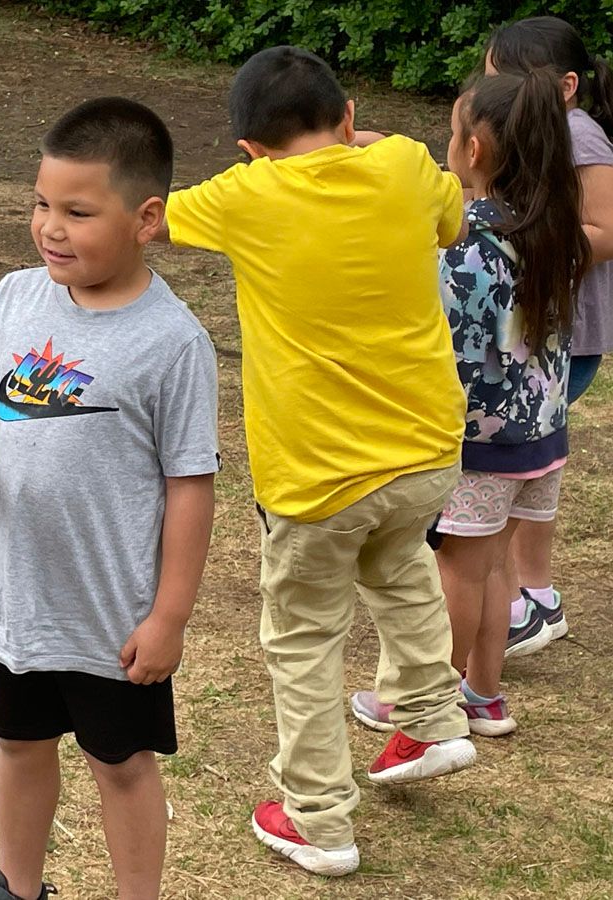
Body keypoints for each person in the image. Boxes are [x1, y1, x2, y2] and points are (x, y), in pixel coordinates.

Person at [162, 47, 476, 877]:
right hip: (427, 453)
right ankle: (436, 720)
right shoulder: (407, 165)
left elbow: (151, 216)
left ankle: (319, 818)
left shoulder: (245, 194)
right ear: (346, 119)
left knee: (303, 638)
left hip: (317, 478)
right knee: (401, 563)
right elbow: (455, 221)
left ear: (247, 148)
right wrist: (367, 146)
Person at [0, 98, 220, 900]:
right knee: (19, 743)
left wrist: (169, 617)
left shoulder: (174, 341)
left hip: (112, 618)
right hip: (16, 598)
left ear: (146, 218)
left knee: (119, 765)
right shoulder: (15, 298)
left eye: (77, 212)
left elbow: (191, 487)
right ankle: (16, 885)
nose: (50, 226)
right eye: (41, 204)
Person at [357, 73, 588, 737]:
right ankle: (483, 694)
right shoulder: (554, 229)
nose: (445, 146)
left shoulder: (464, 247)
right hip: (541, 439)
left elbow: (444, 347)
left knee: (454, 573)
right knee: (489, 567)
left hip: (480, 445)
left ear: (476, 150)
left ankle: (419, 701)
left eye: (451, 135)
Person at [484, 16, 613, 648]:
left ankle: (516, 598)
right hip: (537, 331)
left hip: (566, 338)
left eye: (506, 81)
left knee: (521, 462)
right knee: (533, 461)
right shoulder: (537, 133)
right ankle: (532, 593)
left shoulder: (580, 136)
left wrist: (524, 243)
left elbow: (608, 231)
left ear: (565, 86)